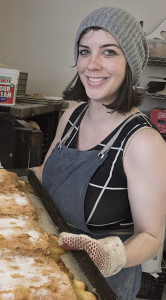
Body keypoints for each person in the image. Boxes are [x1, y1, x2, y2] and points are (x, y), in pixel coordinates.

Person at [32, 6, 166, 300]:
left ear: (130, 62)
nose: (92, 64)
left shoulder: (143, 142)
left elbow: (151, 237)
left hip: (101, 285)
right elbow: (48, 174)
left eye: (108, 52)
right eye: (84, 51)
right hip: (48, 267)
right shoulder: (72, 116)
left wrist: (110, 255)